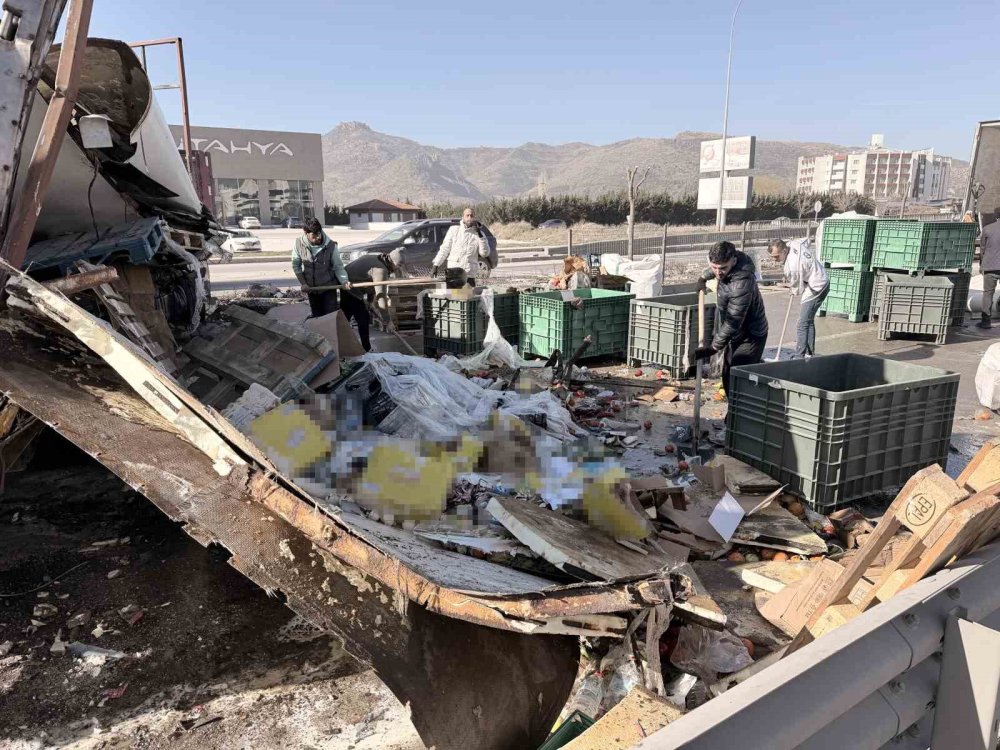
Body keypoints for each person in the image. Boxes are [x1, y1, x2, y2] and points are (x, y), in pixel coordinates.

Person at [694, 241, 769, 394]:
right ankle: (734, 410)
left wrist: (713, 347)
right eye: (714, 267)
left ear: (733, 261)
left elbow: (732, 322)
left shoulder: (741, 284)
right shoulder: (732, 263)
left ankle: (738, 415)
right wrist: (703, 277)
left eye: (723, 268)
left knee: (738, 378)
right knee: (728, 375)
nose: (718, 273)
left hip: (751, 335)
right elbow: (716, 268)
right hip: (736, 334)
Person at [768, 238, 829, 358]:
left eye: (776, 257)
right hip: (822, 277)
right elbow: (807, 241)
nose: (775, 260)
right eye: (772, 257)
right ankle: (809, 353)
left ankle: (799, 356)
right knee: (808, 320)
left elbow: (797, 289)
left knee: (802, 324)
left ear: (784, 250)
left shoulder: (793, 265)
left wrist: (792, 290)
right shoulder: (794, 243)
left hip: (817, 286)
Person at [342, 248, 410, 351]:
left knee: (345, 318)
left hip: (350, 282)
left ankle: (339, 344)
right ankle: (366, 349)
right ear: (392, 261)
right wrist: (388, 321)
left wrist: (369, 302)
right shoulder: (381, 270)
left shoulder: (380, 258)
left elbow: (371, 284)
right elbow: (381, 296)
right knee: (363, 318)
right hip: (348, 286)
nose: (398, 269)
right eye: (398, 265)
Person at [292, 218, 350, 318]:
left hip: (328, 288)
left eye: (319, 234)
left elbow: (338, 266)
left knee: (330, 317)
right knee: (317, 317)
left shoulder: (330, 245)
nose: (318, 238)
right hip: (312, 289)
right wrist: (304, 283)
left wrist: (344, 281)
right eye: (314, 236)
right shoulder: (298, 244)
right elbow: (296, 265)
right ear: (306, 233)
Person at [431, 207, 490, 287]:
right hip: (454, 274)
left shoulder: (479, 234)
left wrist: (480, 235)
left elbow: (484, 253)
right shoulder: (454, 230)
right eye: (467, 215)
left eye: (471, 216)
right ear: (463, 217)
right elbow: (444, 249)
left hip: (469, 275)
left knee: (468, 298)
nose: (469, 217)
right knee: (453, 298)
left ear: (474, 218)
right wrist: (436, 265)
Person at [979, 209, 1000, 329]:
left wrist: (983, 265)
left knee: (988, 293)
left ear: (996, 217)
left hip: (990, 266)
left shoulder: (987, 229)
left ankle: (986, 322)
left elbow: (982, 249)